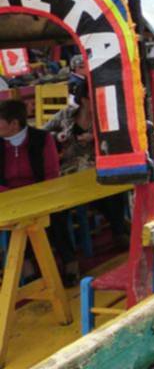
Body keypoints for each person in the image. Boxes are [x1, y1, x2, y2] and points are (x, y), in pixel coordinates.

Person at [43, 87, 131, 249]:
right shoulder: (66, 115)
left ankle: (118, 231)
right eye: (94, 97)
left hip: (95, 168)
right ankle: (68, 253)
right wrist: (57, 137)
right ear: (83, 99)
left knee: (114, 190)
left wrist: (95, 139)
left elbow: (118, 139)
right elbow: (42, 133)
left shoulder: (104, 117)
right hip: (69, 171)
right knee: (56, 206)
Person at [0, 100, 70, 280]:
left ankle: (68, 261)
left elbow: (51, 173)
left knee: (56, 215)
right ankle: (25, 265)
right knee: (19, 219)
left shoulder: (42, 139)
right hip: (9, 196)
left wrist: (37, 196)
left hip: (41, 193)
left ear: (14, 123)